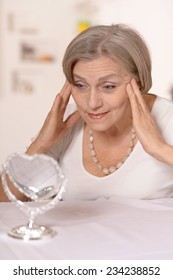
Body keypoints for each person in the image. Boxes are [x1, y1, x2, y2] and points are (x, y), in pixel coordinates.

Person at [1, 23, 173, 202]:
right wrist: (40, 145)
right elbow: (4, 203)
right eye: (81, 85)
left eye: (108, 86)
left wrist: (159, 149)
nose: (92, 103)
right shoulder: (67, 122)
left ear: (137, 83)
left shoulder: (167, 118)